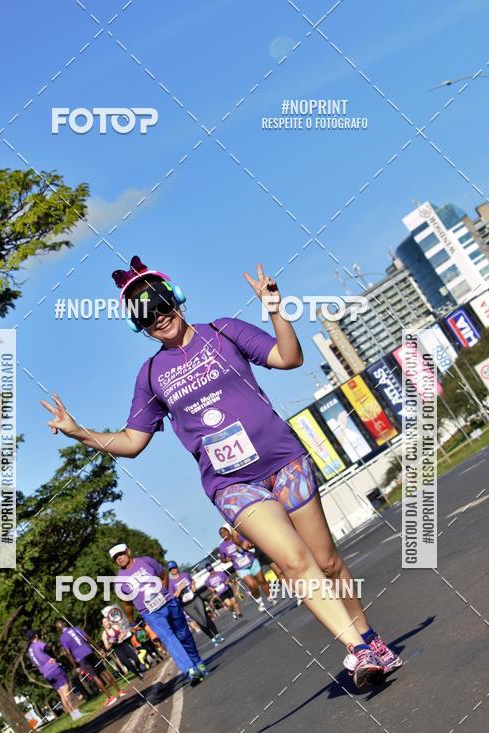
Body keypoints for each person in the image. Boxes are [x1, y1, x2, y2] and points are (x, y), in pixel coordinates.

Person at [41, 256, 401, 689]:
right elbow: (133, 443)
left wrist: (274, 308)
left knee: (326, 560)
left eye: (161, 303)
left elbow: (288, 358)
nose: (157, 317)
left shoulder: (224, 331)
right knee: (292, 561)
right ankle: (357, 651)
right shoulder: (151, 375)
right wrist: (79, 431)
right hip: (233, 485)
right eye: (144, 314)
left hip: (285, 462)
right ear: (136, 326)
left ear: (176, 300)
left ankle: (369, 638)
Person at [106, 543, 208, 685]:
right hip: (150, 612)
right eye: (116, 557)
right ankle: (190, 670)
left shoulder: (146, 561)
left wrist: (164, 593)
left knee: (183, 634)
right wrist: (132, 623)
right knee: (169, 638)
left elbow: (163, 575)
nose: (119, 558)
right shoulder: (119, 580)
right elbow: (127, 604)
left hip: (169, 602)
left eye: (121, 554)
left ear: (128, 551)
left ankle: (197, 661)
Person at [55, 620, 127, 708]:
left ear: (58, 630)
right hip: (89, 652)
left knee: (94, 677)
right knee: (103, 671)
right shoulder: (76, 628)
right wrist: (100, 649)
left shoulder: (62, 638)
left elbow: (68, 653)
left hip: (81, 658)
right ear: (65, 624)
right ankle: (120, 691)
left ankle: (110, 697)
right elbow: (89, 639)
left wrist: (75, 666)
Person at [26, 629, 83, 720]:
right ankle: (76, 712)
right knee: (66, 690)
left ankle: (73, 714)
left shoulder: (30, 651)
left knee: (61, 694)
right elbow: (47, 648)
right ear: (36, 636)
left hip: (46, 673)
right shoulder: (38, 644)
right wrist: (53, 657)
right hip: (53, 668)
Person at [167, 561, 225, 645]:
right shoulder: (171, 583)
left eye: (174, 567)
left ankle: (218, 635)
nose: (173, 570)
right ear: (169, 571)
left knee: (205, 616)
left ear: (177, 567)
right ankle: (212, 638)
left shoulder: (185, 575)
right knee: (200, 621)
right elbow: (174, 596)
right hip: (187, 605)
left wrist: (193, 586)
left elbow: (192, 581)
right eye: (171, 569)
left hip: (195, 598)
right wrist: (179, 589)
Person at [218, 526, 274, 611]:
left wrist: (245, 545)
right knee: (252, 585)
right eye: (221, 533)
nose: (224, 534)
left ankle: (270, 598)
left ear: (228, 531)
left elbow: (249, 545)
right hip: (241, 568)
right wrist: (226, 560)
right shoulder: (222, 547)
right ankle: (259, 602)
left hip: (251, 561)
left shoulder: (237, 537)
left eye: (224, 531)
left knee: (262, 581)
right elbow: (222, 559)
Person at [101, 604, 146, 679]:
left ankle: (139, 668)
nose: (107, 623)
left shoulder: (115, 626)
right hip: (117, 649)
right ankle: (138, 675)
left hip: (124, 644)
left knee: (136, 659)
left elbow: (124, 633)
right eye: (105, 622)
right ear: (103, 625)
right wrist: (111, 642)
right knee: (127, 663)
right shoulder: (104, 635)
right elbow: (107, 647)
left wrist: (121, 637)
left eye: (107, 621)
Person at [204, 562, 242, 626]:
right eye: (210, 571)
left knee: (234, 601)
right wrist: (212, 589)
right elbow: (209, 587)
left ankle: (238, 613)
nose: (211, 571)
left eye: (212, 569)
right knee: (229, 604)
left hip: (227, 589)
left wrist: (226, 582)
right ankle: (233, 612)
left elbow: (227, 578)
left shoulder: (220, 573)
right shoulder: (208, 580)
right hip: (221, 593)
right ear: (208, 571)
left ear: (213, 568)